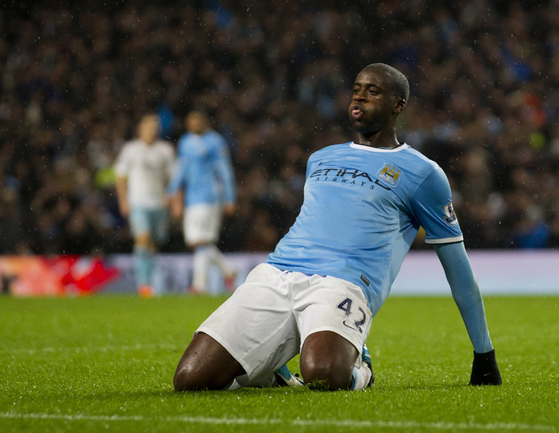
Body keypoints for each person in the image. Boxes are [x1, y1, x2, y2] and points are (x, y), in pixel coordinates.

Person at [173, 63, 502, 392]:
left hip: (344, 285)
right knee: (191, 379)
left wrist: (484, 354)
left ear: (398, 105)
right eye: (357, 89)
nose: (360, 96)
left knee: (323, 375)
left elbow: (457, 266)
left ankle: (362, 368)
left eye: (373, 91)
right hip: (276, 275)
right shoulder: (320, 158)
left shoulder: (423, 173)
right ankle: (273, 373)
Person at [167, 111, 238, 294]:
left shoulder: (215, 142)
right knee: (197, 241)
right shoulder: (185, 142)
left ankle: (200, 285)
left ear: (205, 122)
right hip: (191, 198)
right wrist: (172, 191)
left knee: (199, 241)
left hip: (210, 196)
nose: (194, 124)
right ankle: (228, 270)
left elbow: (224, 171)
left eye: (198, 120)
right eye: (191, 121)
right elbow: (181, 169)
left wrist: (229, 197)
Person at [114, 114, 175, 298]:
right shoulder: (130, 149)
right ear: (140, 128)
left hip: (159, 204)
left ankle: (150, 281)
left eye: (155, 127)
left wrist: (171, 198)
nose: (153, 130)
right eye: (149, 126)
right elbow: (120, 176)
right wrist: (124, 200)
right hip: (138, 203)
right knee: (143, 238)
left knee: (153, 243)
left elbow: (172, 177)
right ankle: (144, 285)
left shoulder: (165, 150)